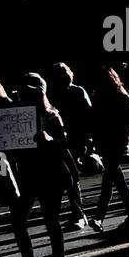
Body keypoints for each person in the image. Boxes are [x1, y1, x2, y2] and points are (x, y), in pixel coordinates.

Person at [7, 74, 71, 257]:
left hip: (50, 173)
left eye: (31, 93)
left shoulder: (52, 115)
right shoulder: (16, 117)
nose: (26, 97)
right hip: (27, 174)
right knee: (18, 219)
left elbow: (64, 144)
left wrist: (50, 139)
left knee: (51, 221)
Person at [88, 67, 129, 234]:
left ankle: (99, 216)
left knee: (109, 179)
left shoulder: (122, 99)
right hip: (107, 145)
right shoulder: (100, 99)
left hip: (117, 144)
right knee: (117, 181)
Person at [49, 64, 91, 228]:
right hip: (65, 139)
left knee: (71, 179)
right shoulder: (72, 92)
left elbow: (87, 117)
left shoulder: (74, 92)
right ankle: (77, 213)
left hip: (73, 139)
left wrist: (87, 142)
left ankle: (78, 214)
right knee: (69, 179)